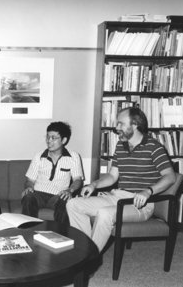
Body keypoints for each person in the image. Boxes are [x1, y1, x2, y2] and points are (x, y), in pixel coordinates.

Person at [66, 107, 176, 253]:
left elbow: (170, 176)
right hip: (118, 197)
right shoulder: (120, 146)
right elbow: (112, 176)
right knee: (73, 204)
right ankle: (83, 251)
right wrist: (94, 184)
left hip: (141, 205)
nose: (116, 128)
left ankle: (89, 258)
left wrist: (148, 191)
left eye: (120, 124)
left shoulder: (154, 147)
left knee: (105, 214)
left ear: (135, 125)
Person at [21, 121, 84, 225]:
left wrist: (69, 190)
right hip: (38, 195)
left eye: (53, 138)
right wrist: (28, 187)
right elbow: (29, 180)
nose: (49, 141)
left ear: (64, 140)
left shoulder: (73, 157)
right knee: (28, 197)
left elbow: (78, 180)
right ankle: (28, 233)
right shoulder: (39, 156)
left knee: (65, 200)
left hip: (58, 196)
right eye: (47, 137)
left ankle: (61, 236)